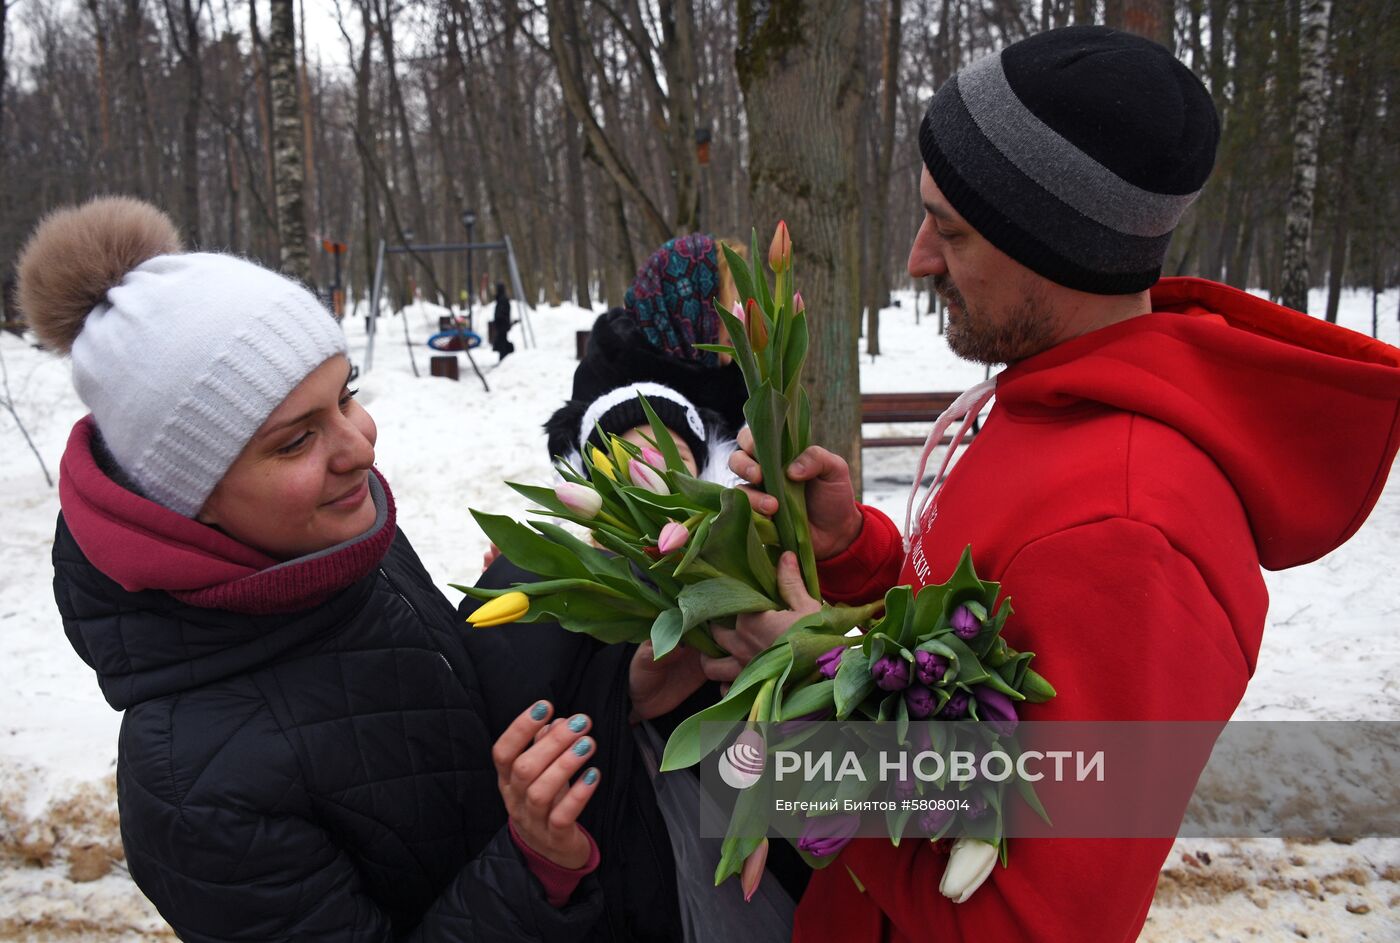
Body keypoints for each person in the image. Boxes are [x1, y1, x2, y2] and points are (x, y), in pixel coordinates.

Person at [721, 25, 1400, 943]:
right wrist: (853, 551)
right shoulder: (1045, 400)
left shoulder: (1129, 530)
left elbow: (1028, 922)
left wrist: (812, 705)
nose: (919, 258)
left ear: (1055, 246)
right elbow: (968, 676)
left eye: (951, 230)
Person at [18, 196, 610, 941]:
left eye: (347, 394)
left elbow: (426, 712)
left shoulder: (334, 541)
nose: (360, 444)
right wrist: (533, 867)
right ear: (188, 499)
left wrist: (589, 616)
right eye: (296, 440)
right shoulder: (188, 788)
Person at [569, 233, 750, 441]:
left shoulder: (741, 390)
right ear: (690, 308)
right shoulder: (605, 377)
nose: (742, 322)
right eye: (730, 307)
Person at [492, 282, 515, 361]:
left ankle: (504, 357)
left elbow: (501, 313)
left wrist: (499, 320)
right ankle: (503, 356)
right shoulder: (501, 299)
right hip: (501, 325)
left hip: (502, 325)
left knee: (502, 342)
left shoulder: (503, 300)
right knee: (501, 341)